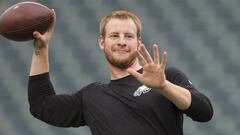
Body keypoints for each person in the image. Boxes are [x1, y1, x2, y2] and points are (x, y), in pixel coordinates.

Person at [28, 10, 213, 135]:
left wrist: (164, 87)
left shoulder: (167, 77)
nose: (122, 41)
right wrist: (41, 49)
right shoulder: (91, 97)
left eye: (129, 36)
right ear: (102, 42)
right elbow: (41, 105)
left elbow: (204, 112)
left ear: (139, 43)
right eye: (114, 35)